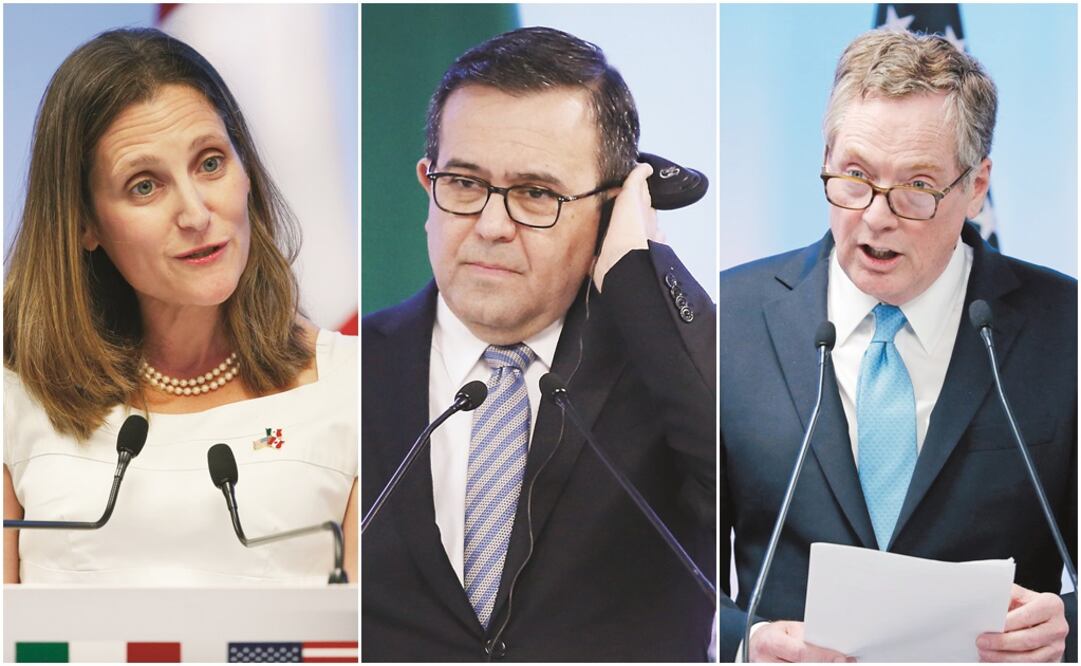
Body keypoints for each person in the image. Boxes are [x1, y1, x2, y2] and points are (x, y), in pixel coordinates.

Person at [719, 29, 1075, 662]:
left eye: (917, 185)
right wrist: (743, 643)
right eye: (854, 176)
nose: (877, 216)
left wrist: (1069, 630)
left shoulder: (1065, 328)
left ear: (976, 186)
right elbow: (659, 565)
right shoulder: (732, 320)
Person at [361, 27, 715, 661]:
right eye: (464, 184)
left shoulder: (668, 376)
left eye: (535, 194)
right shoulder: (353, 368)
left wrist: (640, 273)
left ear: (609, 211)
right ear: (426, 185)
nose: (492, 227)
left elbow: (752, 497)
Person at [2, 28, 357, 585]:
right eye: (145, 186)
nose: (195, 212)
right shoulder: (15, 396)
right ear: (84, 223)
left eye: (211, 163)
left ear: (247, 173)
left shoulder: (356, 387)